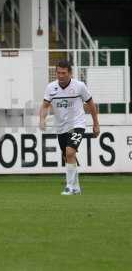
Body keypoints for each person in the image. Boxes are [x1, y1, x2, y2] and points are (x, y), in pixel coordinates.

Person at [39, 60, 100, 195]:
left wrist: (96, 123)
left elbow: (91, 104)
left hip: (77, 124)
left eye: (63, 73)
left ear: (70, 73)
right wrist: (42, 119)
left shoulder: (79, 86)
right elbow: (44, 106)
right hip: (61, 127)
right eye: (58, 73)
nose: (60, 76)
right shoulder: (51, 88)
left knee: (70, 152)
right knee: (68, 156)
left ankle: (70, 187)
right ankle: (76, 187)